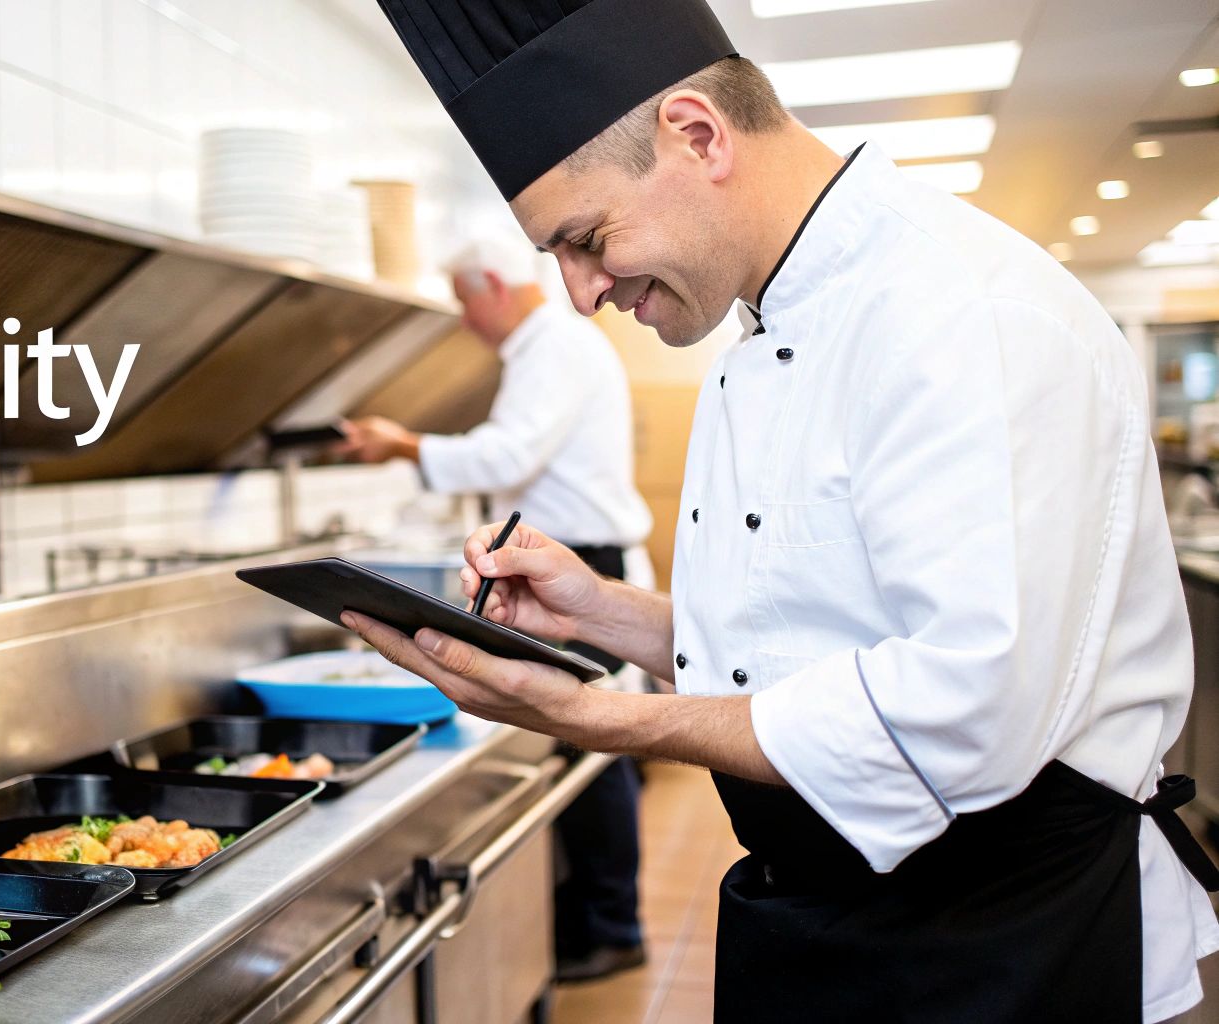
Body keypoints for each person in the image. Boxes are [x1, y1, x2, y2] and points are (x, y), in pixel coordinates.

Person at [337, 0, 1219, 1020]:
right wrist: (596, 613)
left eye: (585, 239)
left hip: (999, 939)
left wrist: (604, 717)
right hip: (829, 917)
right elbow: (811, 639)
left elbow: (962, 709)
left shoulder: (960, 313)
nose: (579, 294)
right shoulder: (764, 320)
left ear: (697, 133)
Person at [340, 233, 655, 981]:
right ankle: (594, 915)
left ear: (491, 285)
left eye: (462, 301)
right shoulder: (547, 349)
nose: (463, 319)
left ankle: (614, 926)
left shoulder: (556, 347)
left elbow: (508, 456)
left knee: (593, 744)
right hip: (565, 560)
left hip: (582, 567)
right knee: (579, 737)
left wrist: (403, 445)